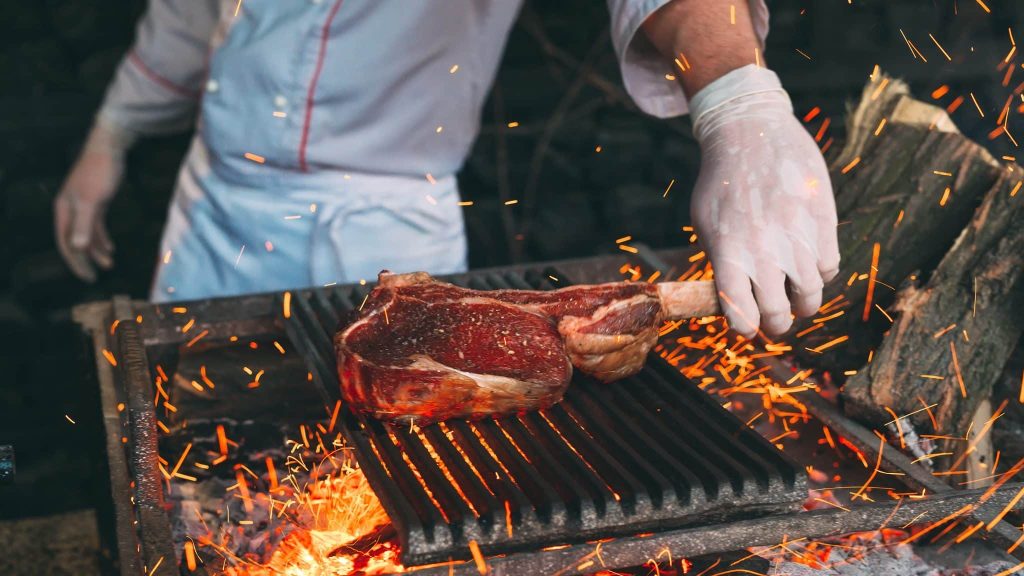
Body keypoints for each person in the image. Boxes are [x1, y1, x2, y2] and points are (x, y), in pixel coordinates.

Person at [54, 0, 839, 338]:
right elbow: (191, 12)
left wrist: (736, 98)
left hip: (380, 222)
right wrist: (112, 133)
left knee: (370, 477)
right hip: (218, 203)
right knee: (192, 457)